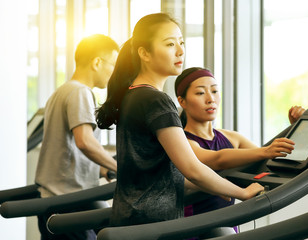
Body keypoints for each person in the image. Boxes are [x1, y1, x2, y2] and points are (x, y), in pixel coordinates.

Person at [95, 13, 267, 231]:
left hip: (132, 218)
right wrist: (242, 192)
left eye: (181, 42)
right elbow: (192, 168)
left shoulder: (132, 95)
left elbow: (159, 174)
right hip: (152, 224)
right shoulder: (156, 100)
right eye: (169, 44)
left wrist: (220, 186)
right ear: (144, 53)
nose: (180, 51)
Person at [175, 67, 303, 234]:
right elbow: (217, 159)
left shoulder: (233, 138)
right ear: (182, 101)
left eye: (214, 91)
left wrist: (297, 128)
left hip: (228, 226)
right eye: (200, 93)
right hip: (192, 230)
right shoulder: (181, 142)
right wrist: (265, 151)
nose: (210, 99)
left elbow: (272, 160)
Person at [35, 34, 119, 240]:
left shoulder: (61, 91)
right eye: (113, 65)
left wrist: (103, 167)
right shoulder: (80, 92)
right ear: (97, 62)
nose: (114, 72)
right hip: (67, 203)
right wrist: (120, 168)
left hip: (59, 199)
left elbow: (69, 147)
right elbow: (85, 142)